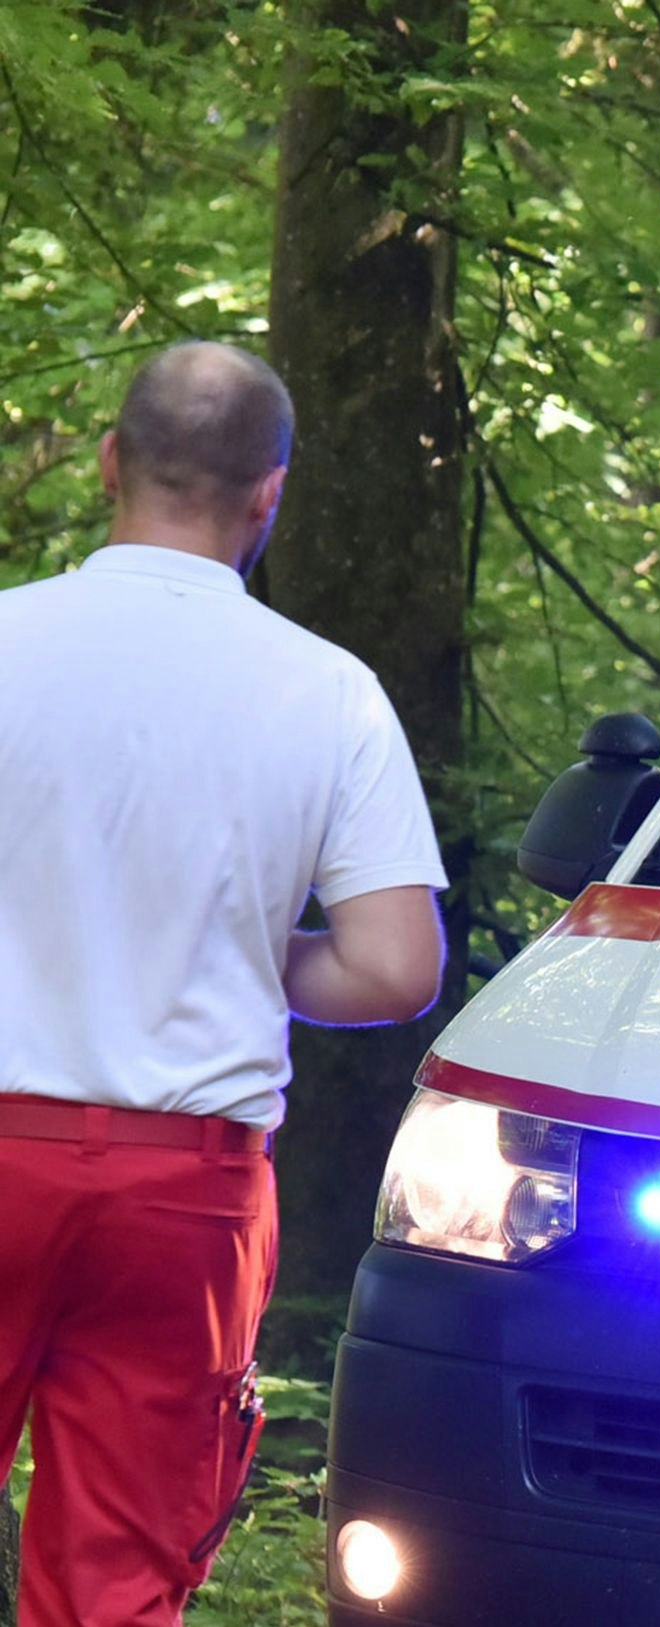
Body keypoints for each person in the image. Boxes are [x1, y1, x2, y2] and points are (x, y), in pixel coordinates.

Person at [0, 342, 448, 1627]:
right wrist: (241, 948)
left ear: (107, 466)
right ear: (270, 497)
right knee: (118, 1585)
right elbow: (393, 964)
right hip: (183, 1197)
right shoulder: (331, 694)